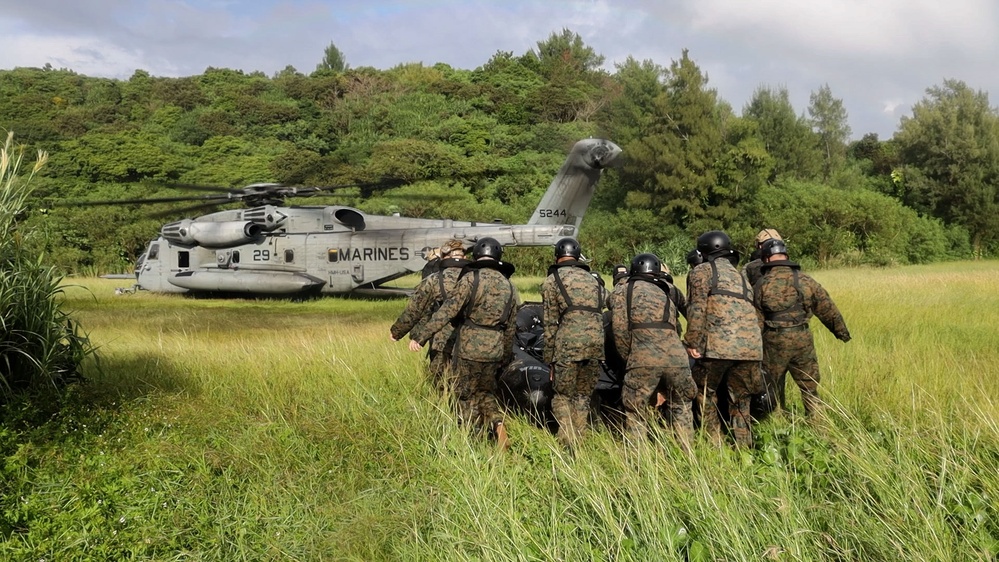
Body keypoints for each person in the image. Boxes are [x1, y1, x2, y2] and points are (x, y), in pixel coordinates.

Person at [410, 237, 519, 449]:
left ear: (476, 255)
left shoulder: (470, 279)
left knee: (465, 395)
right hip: (495, 347)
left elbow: (447, 312)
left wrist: (422, 336)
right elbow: (511, 327)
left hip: (469, 347)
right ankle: (497, 424)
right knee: (486, 393)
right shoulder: (510, 286)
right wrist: (504, 357)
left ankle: (473, 442)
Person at [753, 238, 851, 416]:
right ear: (786, 255)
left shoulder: (761, 284)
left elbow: (756, 321)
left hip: (774, 340)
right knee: (809, 386)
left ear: (766, 259)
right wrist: (841, 332)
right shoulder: (806, 280)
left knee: (772, 385)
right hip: (802, 338)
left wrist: (754, 347)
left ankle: (777, 423)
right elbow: (827, 308)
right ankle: (817, 424)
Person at [683, 230, 763, 448]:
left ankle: (714, 445)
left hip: (717, 347)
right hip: (751, 349)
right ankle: (744, 448)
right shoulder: (742, 278)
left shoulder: (702, 271)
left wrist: (693, 342)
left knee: (704, 392)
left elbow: (696, 309)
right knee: (741, 401)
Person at [609, 253, 696, 446]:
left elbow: (620, 331)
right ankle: (687, 456)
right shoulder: (669, 289)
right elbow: (685, 318)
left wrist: (630, 360)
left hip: (643, 356)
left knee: (635, 410)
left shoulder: (622, 290)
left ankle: (639, 460)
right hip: (678, 358)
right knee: (681, 407)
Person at [541, 237, 606, 448]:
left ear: (557, 256)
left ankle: (567, 441)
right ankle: (581, 438)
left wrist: (549, 359)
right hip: (596, 344)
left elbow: (550, 324)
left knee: (561, 396)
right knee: (583, 396)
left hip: (568, 345)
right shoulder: (594, 280)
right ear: (578, 256)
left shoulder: (552, 281)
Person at [390, 239, 468, 391]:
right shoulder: (476, 278)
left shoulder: (434, 279)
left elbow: (415, 309)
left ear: (444, 257)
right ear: (464, 257)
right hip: (472, 341)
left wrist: (397, 331)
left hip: (442, 341)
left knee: (441, 385)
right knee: (468, 387)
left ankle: (444, 411)